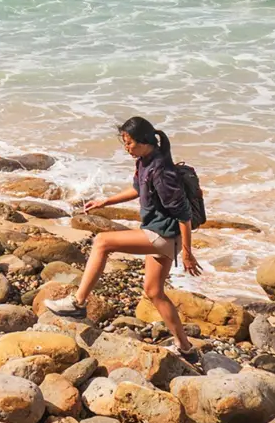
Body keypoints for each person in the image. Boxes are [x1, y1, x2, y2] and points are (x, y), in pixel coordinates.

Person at [44, 116, 203, 360]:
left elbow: (183, 215)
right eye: (124, 143)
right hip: (161, 233)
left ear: (145, 141)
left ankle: (78, 303)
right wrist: (106, 201)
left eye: (129, 143)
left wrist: (188, 254)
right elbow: (138, 190)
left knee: (102, 242)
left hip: (164, 235)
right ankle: (186, 349)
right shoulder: (144, 161)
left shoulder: (162, 171)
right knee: (154, 292)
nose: (127, 148)